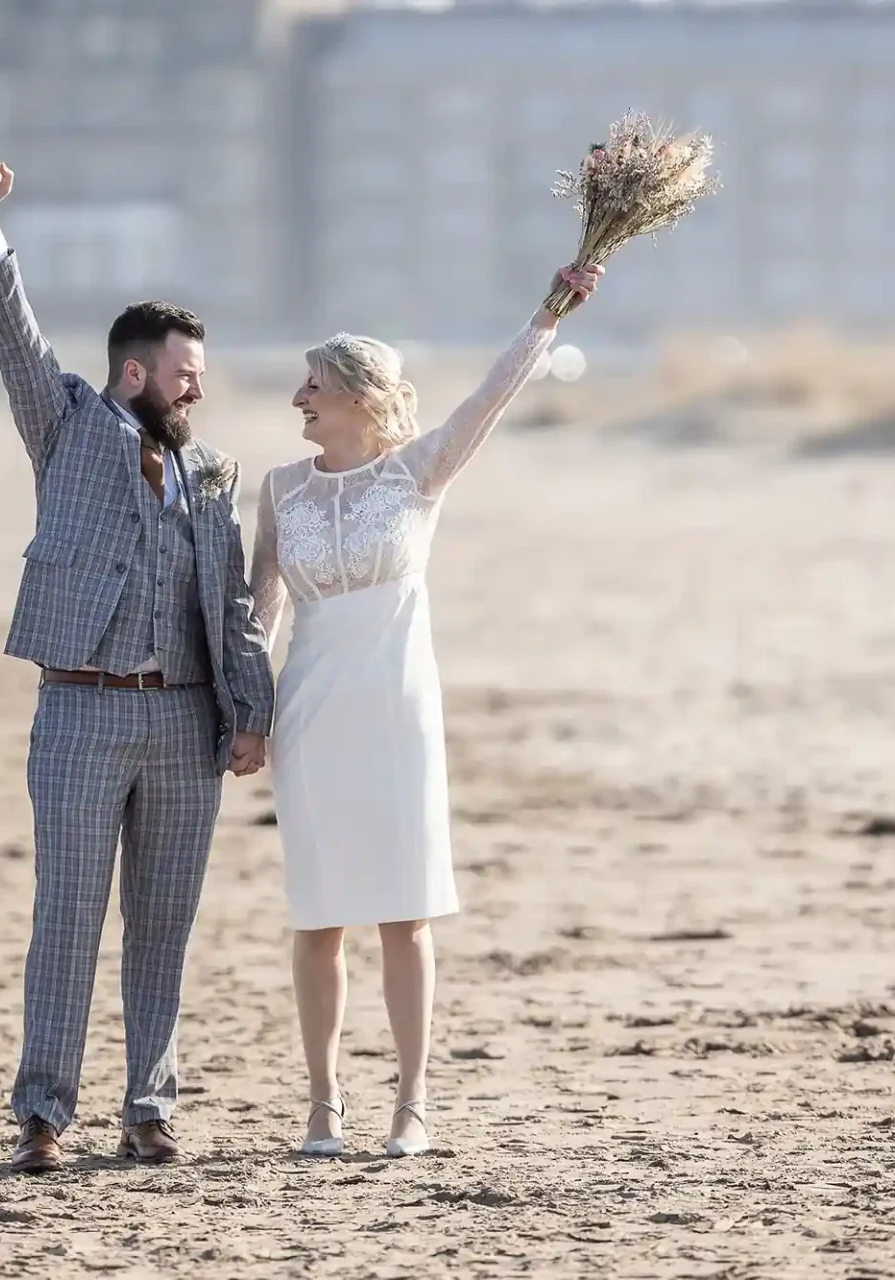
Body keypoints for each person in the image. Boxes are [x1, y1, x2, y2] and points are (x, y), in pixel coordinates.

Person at [0, 156, 275, 1175]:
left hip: (185, 722)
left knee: (165, 926)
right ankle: (44, 1113)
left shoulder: (211, 467)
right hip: (80, 714)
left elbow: (227, 603)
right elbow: (14, 337)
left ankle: (150, 1109)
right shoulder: (69, 429)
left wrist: (250, 713)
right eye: (185, 372)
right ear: (134, 371)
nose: (197, 387)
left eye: (202, 378)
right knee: (67, 917)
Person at [247, 261, 603, 1159]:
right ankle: (323, 1105)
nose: (298, 397)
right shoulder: (281, 490)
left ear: (362, 399)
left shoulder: (420, 472)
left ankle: (411, 1102)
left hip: (396, 708)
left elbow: (491, 396)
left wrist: (549, 312)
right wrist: (245, 716)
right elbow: (262, 613)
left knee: (404, 911)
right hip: (311, 712)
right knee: (318, 913)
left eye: (314, 386)